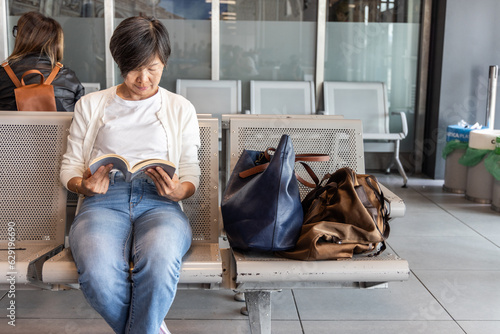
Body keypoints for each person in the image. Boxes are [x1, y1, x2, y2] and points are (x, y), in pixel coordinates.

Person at [60, 16, 200, 334]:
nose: (143, 78)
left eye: (153, 67)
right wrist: (84, 185)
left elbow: (191, 170)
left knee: (161, 259)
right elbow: (69, 167)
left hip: (160, 201)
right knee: (96, 271)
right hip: (103, 200)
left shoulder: (181, 108)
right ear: (119, 62)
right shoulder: (91, 105)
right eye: (134, 67)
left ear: (164, 62)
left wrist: (180, 191)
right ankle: (150, 329)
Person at [0, 11, 84, 111]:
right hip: (59, 127)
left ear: (20, 38)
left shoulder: (2, 74)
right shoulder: (69, 78)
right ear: (56, 43)